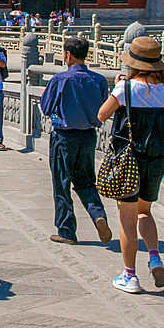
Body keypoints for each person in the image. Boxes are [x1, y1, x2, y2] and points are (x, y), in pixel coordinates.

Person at [97, 36, 164, 294]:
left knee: (127, 220)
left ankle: (129, 276)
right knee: (146, 212)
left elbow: (102, 114)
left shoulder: (126, 88)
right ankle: (154, 257)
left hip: (128, 161)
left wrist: (116, 86)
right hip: (155, 160)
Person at [40, 37, 112, 246]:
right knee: (86, 181)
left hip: (64, 137)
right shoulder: (98, 80)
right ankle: (98, 215)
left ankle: (67, 231)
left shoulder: (60, 79)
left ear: (67, 55)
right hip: (89, 137)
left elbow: (46, 107)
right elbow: (102, 111)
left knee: (62, 184)